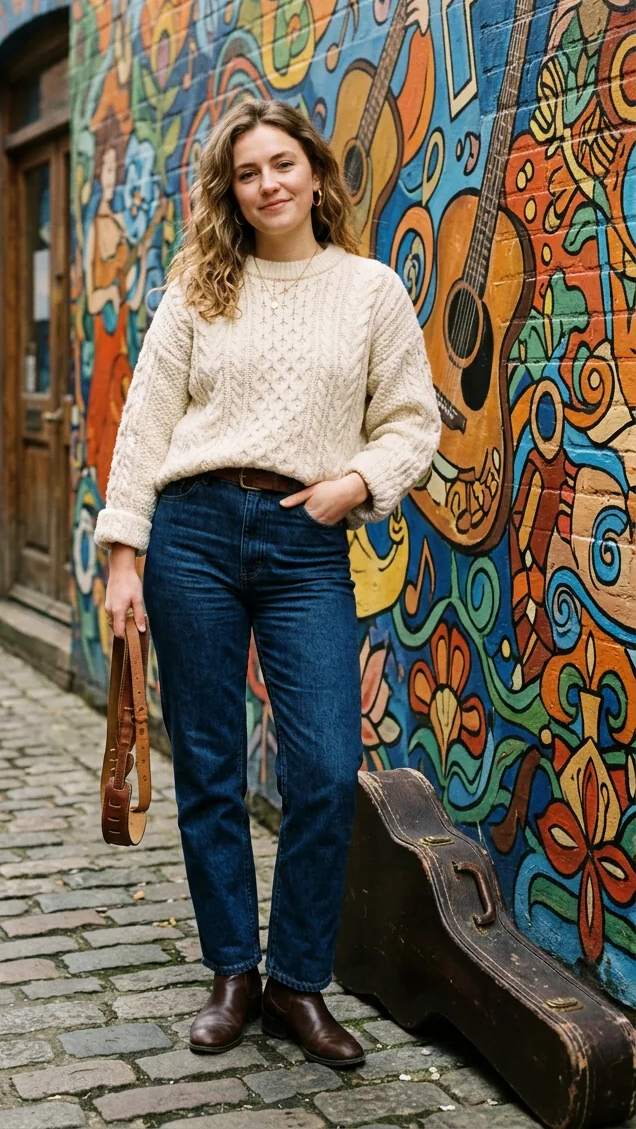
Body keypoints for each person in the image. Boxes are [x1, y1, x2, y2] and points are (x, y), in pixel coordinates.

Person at [94, 99, 441, 1066]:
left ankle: (296, 983)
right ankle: (232, 975)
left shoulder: (369, 291)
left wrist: (356, 485)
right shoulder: (199, 288)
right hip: (194, 535)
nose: (268, 184)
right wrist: (125, 556)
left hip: (305, 542)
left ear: (315, 173)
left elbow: (413, 421)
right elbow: (145, 426)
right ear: (232, 191)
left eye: (282, 164)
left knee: (326, 771)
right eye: (248, 174)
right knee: (206, 768)